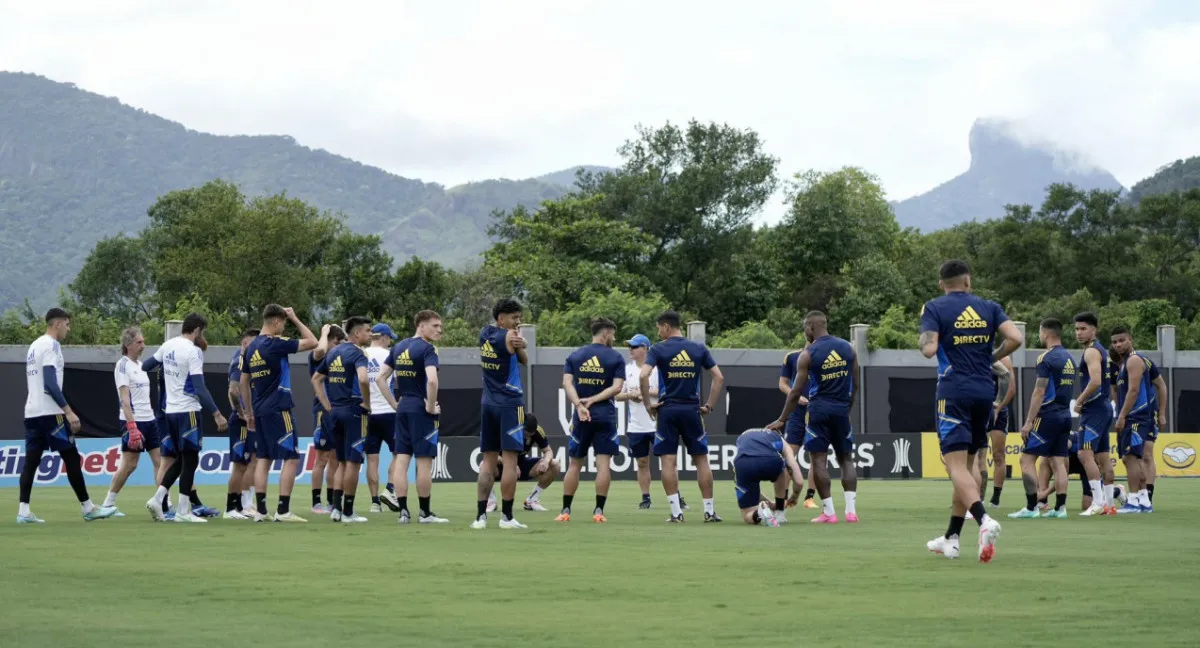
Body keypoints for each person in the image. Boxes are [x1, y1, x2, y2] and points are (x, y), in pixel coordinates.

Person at [920, 260, 1022, 562]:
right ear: (968, 281)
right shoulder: (989, 307)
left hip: (953, 392)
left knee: (954, 467)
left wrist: (928, 338)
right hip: (984, 393)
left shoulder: (934, 308)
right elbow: (1016, 338)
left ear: (942, 284)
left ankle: (983, 520)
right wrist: (993, 355)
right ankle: (951, 538)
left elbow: (928, 350)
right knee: (971, 463)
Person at [17, 308, 118, 523]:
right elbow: (50, 383)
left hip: (32, 411)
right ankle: (88, 508)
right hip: (50, 413)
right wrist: (69, 412)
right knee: (71, 457)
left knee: (32, 461)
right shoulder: (52, 345)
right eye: (67, 324)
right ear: (57, 324)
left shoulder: (34, 345)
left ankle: (23, 511)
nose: (68, 329)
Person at [767, 311, 858, 524]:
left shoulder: (808, 354)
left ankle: (829, 512)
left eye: (804, 328)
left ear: (810, 327)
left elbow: (796, 392)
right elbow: (857, 385)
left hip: (818, 411)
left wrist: (782, 419)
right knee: (846, 459)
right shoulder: (848, 348)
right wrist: (846, 408)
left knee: (818, 459)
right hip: (841, 409)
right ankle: (851, 512)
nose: (804, 332)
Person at [639, 310, 725, 523]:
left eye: (659, 328)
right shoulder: (698, 348)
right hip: (692, 410)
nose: (658, 332)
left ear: (667, 327)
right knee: (701, 459)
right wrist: (709, 406)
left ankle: (677, 513)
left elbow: (643, 375)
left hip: (667, 410)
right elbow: (718, 377)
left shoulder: (658, 349)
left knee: (668, 461)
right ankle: (709, 511)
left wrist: (648, 404)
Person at [144, 312, 228, 523]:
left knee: (181, 459)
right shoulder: (193, 351)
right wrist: (217, 413)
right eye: (203, 331)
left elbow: (145, 366)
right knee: (190, 459)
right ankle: (183, 511)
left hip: (170, 412)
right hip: (188, 410)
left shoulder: (168, 345)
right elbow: (199, 387)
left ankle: (159, 498)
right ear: (198, 329)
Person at [241, 304, 318, 522]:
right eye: (283, 323)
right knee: (291, 457)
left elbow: (243, 382)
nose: (284, 327)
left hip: (260, 410)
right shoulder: (275, 343)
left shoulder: (251, 347)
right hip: (279, 407)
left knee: (263, 458)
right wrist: (295, 318)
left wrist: (248, 413)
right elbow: (312, 342)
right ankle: (283, 510)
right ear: (276, 322)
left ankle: (262, 510)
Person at [377, 311, 449, 524]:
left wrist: (393, 404)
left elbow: (381, 378)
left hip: (403, 408)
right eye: (435, 326)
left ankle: (403, 512)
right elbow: (433, 381)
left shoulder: (398, 347)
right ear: (422, 326)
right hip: (421, 409)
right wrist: (429, 405)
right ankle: (425, 513)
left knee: (401, 461)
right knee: (424, 463)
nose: (439, 330)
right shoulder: (428, 349)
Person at [556, 318, 626, 523]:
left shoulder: (575, 355)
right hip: (605, 416)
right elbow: (617, 388)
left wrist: (579, 405)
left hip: (581, 416)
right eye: (612, 334)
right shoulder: (615, 357)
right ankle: (598, 512)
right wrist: (593, 401)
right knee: (603, 465)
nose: (614, 338)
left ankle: (565, 511)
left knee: (574, 464)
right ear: (605, 334)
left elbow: (566, 383)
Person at [1009, 318, 1075, 520]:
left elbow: (1039, 391)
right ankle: (1060, 508)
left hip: (1047, 416)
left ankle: (1031, 508)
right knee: (1058, 462)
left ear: (1044, 333)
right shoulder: (1069, 358)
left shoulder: (1045, 358)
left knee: (1026, 459)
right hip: (1066, 415)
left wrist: (1029, 421)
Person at [472, 299, 529, 530]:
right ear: (501, 318)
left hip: (488, 403)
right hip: (510, 404)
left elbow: (522, 358)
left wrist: (519, 344)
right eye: (514, 317)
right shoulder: (510, 337)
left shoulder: (484, 334)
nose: (518, 321)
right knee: (509, 462)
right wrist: (520, 342)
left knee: (487, 461)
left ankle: (480, 517)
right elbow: (524, 355)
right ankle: (506, 517)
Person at [313, 316, 373, 523]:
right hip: (354, 411)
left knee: (340, 462)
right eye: (367, 331)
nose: (370, 334)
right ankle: (348, 512)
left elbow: (316, 379)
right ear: (357, 333)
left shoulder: (334, 352)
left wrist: (327, 405)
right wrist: (367, 402)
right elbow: (364, 378)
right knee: (353, 463)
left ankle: (337, 509)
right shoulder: (358, 354)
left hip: (335, 412)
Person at [102, 327, 162, 517]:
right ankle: (108, 503)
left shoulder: (141, 365)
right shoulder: (123, 365)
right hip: (134, 422)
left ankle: (162, 502)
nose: (143, 345)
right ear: (128, 345)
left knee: (160, 462)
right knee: (130, 464)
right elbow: (124, 399)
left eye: (143, 342)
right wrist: (131, 426)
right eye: (139, 342)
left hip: (150, 419)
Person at [1110, 326, 1167, 513]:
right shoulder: (1126, 363)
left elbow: (1134, 391)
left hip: (1135, 418)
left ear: (1130, 340)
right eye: (1115, 342)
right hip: (1139, 417)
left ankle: (1133, 501)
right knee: (1134, 458)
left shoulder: (1134, 360)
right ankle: (1144, 501)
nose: (1118, 344)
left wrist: (1121, 416)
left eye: (1121, 340)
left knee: (1131, 458)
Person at [1072, 312, 1115, 516]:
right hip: (1104, 407)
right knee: (1103, 457)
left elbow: (1096, 381)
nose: (1079, 333)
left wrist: (1080, 401)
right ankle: (1108, 503)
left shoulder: (1091, 352)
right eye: (1076, 329)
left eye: (1083, 329)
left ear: (1093, 330)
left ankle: (1098, 503)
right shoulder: (1100, 350)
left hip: (1095, 409)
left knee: (1084, 453)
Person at [616, 334, 659, 509]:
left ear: (645, 349)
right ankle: (646, 497)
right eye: (630, 347)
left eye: (634, 347)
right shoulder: (627, 370)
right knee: (641, 462)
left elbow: (662, 390)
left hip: (657, 423)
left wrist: (644, 394)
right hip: (636, 425)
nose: (630, 350)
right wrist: (630, 395)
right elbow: (618, 394)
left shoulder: (657, 369)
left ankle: (676, 496)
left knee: (669, 461)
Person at [731, 429, 807, 527]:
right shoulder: (780, 440)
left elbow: (750, 492)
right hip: (771, 461)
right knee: (782, 469)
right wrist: (794, 497)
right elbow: (799, 481)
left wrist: (769, 504)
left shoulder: (743, 436)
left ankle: (760, 513)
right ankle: (780, 513)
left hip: (744, 464)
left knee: (747, 515)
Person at [224, 328, 260, 520]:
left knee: (252, 462)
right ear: (246, 343)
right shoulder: (240, 360)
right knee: (241, 465)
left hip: (250, 419)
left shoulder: (247, 359)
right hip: (241, 421)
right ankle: (232, 508)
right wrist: (242, 414)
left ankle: (244, 504)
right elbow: (233, 391)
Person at [489, 414, 560, 510]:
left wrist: (546, 462)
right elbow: (492, 455)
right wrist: (510, 465)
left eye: (531, 434)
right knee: (484, 466)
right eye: (526, 434)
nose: (528, 437)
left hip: (521, 466)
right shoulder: (507, 429)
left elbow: (548, 451)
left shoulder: (538, 431)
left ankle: (532, 500)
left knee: (555, 464)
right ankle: (491, 502)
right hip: (503, 466)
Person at [364, 323, 400, 513]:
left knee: (372, 459)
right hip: (388, 411)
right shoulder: (390, 355)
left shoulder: (362, 353)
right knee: (398, 454)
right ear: (384, 337)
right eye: (389, 338)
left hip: (368, 413)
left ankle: (374, 502)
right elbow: (397, 380)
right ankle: (390, 489)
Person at [307, 324, 341, 516]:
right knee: (322, 458)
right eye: (335, 342)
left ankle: (332, 501)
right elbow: (320, 348)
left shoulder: (338, 359)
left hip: (338, 410)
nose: (337, 346)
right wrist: (324, 333)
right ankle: (316, 502)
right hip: (323, 410)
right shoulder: (317, 356)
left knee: (336, 458)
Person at [778, 345, 817, 509]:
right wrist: (796, 396)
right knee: (789, 454)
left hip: (817, 411)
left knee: (817, 455)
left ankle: (810, 497)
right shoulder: (792, 357)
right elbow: (782, 384)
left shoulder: (823, 356)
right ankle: (784, 497)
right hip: (796, 413)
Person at [985, 354, 1016, 508]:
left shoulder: (1004, 360)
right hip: (979, 409)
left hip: (998, 411)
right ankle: (975, 498)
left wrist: (998, 407)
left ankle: (995, 498)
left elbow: (1011, 388)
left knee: (998, 455)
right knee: (976, 456)